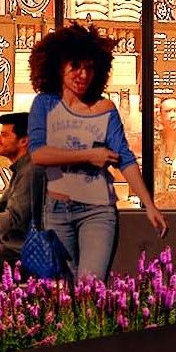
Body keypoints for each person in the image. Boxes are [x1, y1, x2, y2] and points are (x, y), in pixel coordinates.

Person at [29, 27, 137, 278]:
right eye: (75, 66)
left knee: (91, 288)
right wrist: (88, 155)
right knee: (61, 294)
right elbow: (38, 154)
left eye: (89, 67)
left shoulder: (104, 108)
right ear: (58, 66)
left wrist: (150, 206)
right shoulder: (45, 104)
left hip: (97, 208)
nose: (83, 74)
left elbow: (125, 157)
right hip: (56, 209)